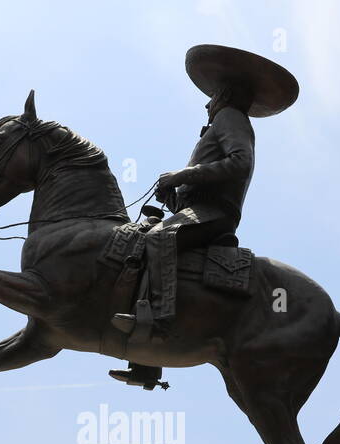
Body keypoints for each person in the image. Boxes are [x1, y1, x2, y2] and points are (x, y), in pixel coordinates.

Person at [109, 45, 298, 389]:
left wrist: (181, 176)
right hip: (198, 208)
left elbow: (240, 162)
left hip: (215, 213)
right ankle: (146, 364)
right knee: (144, 238)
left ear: (224, 95)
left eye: (212, 96)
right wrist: (176, 195)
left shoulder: (230, 118)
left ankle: (160, 322)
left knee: (157, 238)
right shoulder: (224, 122)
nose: (206, 103)